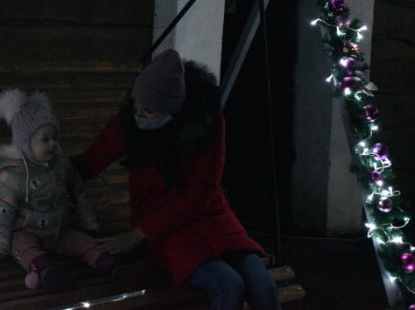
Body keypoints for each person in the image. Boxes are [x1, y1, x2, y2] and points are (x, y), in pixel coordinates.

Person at [73, 49, 281, 309]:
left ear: (172, 111)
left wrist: (136, 235)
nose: (138, 114)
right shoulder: (128, 121)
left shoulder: (205, 125)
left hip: (209, 215)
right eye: (136, 104)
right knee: (228, 286)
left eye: (148, 111)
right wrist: (41, 169)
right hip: (161, 224)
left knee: (263, 285)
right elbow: (90, 162)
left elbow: (201, 192)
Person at [0, 89, 150, 292]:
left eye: (55, 138)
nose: (53, 144)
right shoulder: (11, 173)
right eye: (45, 139)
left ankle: (113, 267)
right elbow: (1, 209)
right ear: (25, 143)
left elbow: (79, 194)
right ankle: (46, 271)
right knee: (22, 246)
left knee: (86, 244)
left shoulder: (62, 166)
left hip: (59, 229)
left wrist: (90, 223)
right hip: (26, 230)